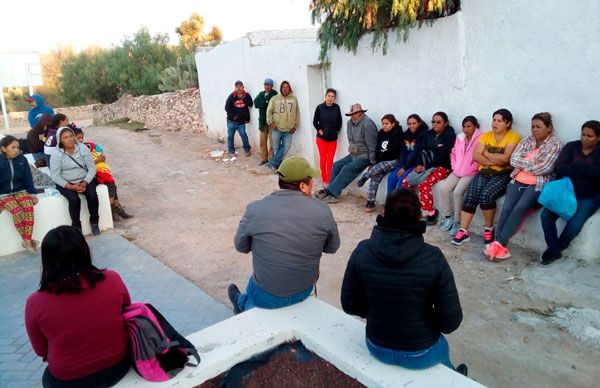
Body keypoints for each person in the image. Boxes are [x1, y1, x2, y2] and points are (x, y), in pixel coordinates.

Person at [341, 189, 466, 375]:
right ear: (419, 216)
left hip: (376, 345)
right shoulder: (433, 257)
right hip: (420, 351)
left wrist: (377, 312)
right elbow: (450, 322)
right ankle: (454, 378)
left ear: (384, 213)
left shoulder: (362, 250)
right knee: (443, 350)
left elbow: (350, 305)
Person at [228, 156, 340, 313]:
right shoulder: (323, 211)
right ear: (302, 186)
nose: (312, 184)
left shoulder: (255, 209)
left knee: (254, 286)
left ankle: (241, 305)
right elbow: (332, 248)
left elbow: (241, 247)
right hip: (304, 289)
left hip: (267, 294)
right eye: (311, 181)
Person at [25, 226, 131, 387]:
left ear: (47, 260)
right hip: (118, 364)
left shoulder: (35, 302)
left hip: (69, 378)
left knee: (47, 378)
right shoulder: (112, 278)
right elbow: (127, 313)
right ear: (84, 251)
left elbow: (41, 350)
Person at [486, 113, 562, 260]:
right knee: (506, 208)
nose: (534, 130)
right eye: (533, 126)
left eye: (538, 127)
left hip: (537, 184)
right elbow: (513, 159)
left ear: (549, 128)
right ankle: (498, 244)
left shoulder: (556, 145)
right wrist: (531, 164)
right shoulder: (528, 140)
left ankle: (499, 242)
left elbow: (546, 168)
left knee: (519, 209)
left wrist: (524, 164)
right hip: (517, 180)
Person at [452, 109, 521, 247]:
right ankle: (463, 231)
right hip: (484, 172)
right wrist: (496, 160)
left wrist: (486, 153)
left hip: (503, 174)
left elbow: (506, 159)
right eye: (494, 119)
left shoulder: (513, 137)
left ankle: (489, 229)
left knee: (486, 196)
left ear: (508, 123)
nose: (495, 123)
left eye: (499, 121)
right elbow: (476, 156)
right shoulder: (486, 136)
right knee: (470, 196)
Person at [540, 120, 600, 265]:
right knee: (546, 215)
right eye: (583, 134)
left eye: (590, 136)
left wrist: (574, 167)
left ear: (598, 138)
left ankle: (556, 249)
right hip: (566, 191)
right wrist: (585, 171)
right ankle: (554, 249)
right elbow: (560, 166)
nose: (584, 138)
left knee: (575, 224)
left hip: (589, 195)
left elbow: (598, 173)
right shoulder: (572, 146)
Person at [402, 112, 456, 225]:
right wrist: (419, 165)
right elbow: (420, 150)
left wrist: (426, 167)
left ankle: (431, 212)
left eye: (438, 122)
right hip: (425, 165)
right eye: (433, 122)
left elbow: (443, 155)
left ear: (445, 123)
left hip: (442, 167)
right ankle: (412, 209)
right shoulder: (428, 134)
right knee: (406, 182)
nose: (435, 124)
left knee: (424, 185)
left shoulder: (450, 135)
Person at [316, 104, 378, 203]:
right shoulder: (350, 123)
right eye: (351, 114)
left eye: (355, 113)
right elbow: (351, 140)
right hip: (353, 154)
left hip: (364, 157)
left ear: (361, 113)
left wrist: (372, 162)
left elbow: (372, 145)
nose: (353, 116)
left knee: (346, 169)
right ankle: (331, 191)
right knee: (335, 166)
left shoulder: (368, 124)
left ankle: (332, 193)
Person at [73, 127, 133, 221]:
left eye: (82, 137)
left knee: (111, 183)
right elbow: (84, 166)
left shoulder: (85, 147)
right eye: (78, 138)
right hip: (86, 177)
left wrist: (99, 159)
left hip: (92, 172)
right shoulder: (75, 151)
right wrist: (98, 160)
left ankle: (117, 209)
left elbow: (96, 153)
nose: (81, 140)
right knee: (110, 184)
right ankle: (114, 210)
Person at [50, 127, 100, 236]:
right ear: (60, 140)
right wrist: (71, 186)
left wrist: (85, 182)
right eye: (65, 138)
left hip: (84, 179)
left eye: (71, 136)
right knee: (74, 199)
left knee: (92, 195)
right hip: (66, 182)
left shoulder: (82, 148)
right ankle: (76, 227)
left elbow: (92, 168)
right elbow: (55, 175)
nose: (70, 139)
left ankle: (95, 222)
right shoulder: (56, 153)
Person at [437, 116, 482, 236]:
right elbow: (453, 153)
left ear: (475, 126)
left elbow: (479, 158)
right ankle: (448, 217)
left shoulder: (481, 138)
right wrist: (454, 166)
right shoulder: (460, 137)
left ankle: (457, 221)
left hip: (471, 172)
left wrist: (471, 168)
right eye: (464, 126)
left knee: (458, 192)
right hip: (457, 170)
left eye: (469, 126)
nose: (466, 129)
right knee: (443, 188)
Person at [356, 114, 404, 212]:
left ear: (393, 124)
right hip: (382, 163)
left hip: (394, 161)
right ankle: (370, 203)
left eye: (387, 124)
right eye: (383, 123)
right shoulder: (381, 132)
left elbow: (394, 152)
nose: (384, 126)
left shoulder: (398, 134)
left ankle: (365, 176)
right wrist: (375, 162)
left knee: (380, 166)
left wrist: (380, 162)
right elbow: (378, 148)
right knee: (375, 176)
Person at [0, 135, 39, 252]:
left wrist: (33, 194)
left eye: (18, 147)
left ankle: (26, 241)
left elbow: (28, 178)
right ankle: (28, 241)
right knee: (16, 211)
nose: (17, 150)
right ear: (3, 148)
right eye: (13, 147)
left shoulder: (22, 159)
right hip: (3, 193)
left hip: (20, 190)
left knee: (28, 207)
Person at [264, 81, 300, 170]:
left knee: (286, 148)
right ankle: (277, 167)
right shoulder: (274, 98)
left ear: (289, 88)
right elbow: (269, 111)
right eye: (283, 87)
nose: (285, 89)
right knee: (276, 149)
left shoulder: (294, 99)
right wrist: (271, 123)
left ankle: (271, 163)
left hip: (289, 130)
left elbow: (297, 113)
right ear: (281, 88)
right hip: (277, 129)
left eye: (287, 87)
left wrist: (295, 126)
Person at [387, 114, 428, 191]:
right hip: (405, 163)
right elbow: (403, 151)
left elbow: (415, 152)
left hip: (415, 163)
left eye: (414, 123)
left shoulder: (423, 135)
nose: (412, 126)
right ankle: (390, 202)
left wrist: (404, 168)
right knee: (391, 178)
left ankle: (401, 203)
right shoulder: (406, 135)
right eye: (409, 124)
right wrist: (402, 165)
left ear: (419, 123)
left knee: (401, 182)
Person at [313, 88, 342, 187]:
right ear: (325, 96)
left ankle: (328, 180)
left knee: (330, 160)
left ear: (335, 98)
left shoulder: (336, 108)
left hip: (333, 139)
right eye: (328, 96)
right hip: (321, 139)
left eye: (332, 96)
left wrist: (337, 131)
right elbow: (315, 121)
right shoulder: (320, 107)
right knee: (323, 159)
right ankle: (323, 178)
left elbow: (339, 122)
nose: (330, 98)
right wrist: (320, 131)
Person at [224, 80, 253, 156]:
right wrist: (234, 116)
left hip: (241, 122)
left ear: (243, 87)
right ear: (235, 88)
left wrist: (243, 97)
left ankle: (247, 150)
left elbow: (250, 104)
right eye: (237, 87)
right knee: (230, 136)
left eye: (240, 86)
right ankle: (231, 151)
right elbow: (227, 108)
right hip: (231, 121)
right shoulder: (232, 96)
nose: (239, 88)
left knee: (243, 135)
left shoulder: (246, 95)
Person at [253, 78, 278, 165]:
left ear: (272, 86)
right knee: (262, 141)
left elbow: (274, 106)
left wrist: (263, 103)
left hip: (272, 122)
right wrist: (265, 102)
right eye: (265, 85)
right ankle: (264, 158)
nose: (266, 86)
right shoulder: (261, 94)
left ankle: (271, 159)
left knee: (272, 142)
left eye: (268, 85)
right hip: (262, 121)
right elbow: (256, 103)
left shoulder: (274, 94)